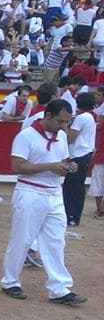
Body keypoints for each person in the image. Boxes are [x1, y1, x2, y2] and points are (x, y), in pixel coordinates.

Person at [0, 100, 87, 306]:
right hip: (30, 191)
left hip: (54, 193)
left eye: (67, 122)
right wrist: (51, 166)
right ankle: (10, 281)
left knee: (56, 241)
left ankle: (59, 288)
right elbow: (17, 166)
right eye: (60, 121)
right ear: (47, 116)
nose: (64, 126)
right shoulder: (26, 136)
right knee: (22, 239)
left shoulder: (62, 135)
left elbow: (63, 160)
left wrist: (70, 166)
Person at [62, 92, 96, 226]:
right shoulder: (89, 117)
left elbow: (70, 138)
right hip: (84, 154)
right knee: (75, 186)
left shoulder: (81, 118)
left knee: (72, 187)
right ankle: (72, 216)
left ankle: (72, 216)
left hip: (79, 156)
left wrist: (64, 127)